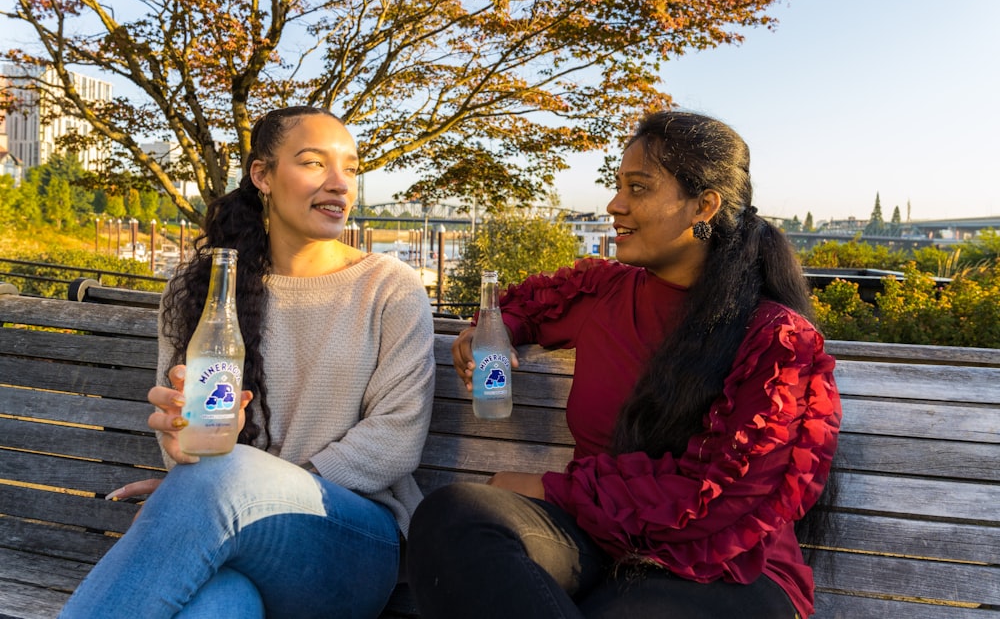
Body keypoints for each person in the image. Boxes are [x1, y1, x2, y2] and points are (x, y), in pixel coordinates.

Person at [406, 110, 841, 619]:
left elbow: (719, 501)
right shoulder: (603, 292)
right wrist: (495, 335)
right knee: (454, 517)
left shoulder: (776, 342)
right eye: (618, 187)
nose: (615, 205)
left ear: (704, 206)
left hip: (728, 564)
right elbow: (527, 305)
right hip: (600, 539)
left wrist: (549, 488)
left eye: (638, 188)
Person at [60, 106, 436, 619]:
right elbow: (191, 451)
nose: (339, 184)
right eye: (312, 163)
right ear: (262, 175)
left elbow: (396, 439)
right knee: (220, 604)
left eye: (349, 167)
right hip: (231, 540)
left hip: (353, 545)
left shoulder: (390, 288)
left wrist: (237, 490)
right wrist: (186, 444)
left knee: (220, 482)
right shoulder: (200, 290)